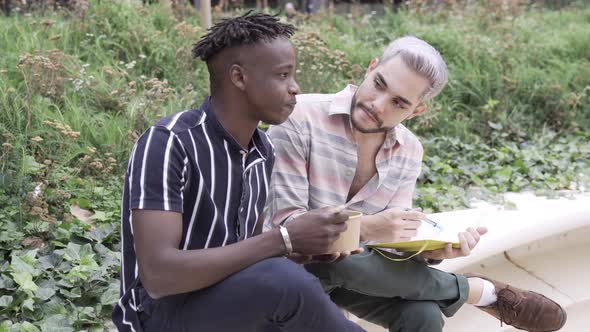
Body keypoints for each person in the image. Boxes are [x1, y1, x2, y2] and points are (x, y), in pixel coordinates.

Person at [265, 36, 567, 332]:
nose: (378, 104)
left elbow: (388, 250)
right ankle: (477, 292)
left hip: (350, 276)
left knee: (421, 314)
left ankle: (467, 290)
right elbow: (288, 230)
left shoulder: (408, 150)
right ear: (371, 69)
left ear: (417, 111)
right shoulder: (300, 117)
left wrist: (432, 250)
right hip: (286, 268)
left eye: (399, 103)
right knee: (335, 254)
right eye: (379, 84)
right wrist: (368, 227)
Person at [112, 12, 367, 332]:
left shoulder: (262, 151)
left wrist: (302, 249)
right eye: (283, 75)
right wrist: (284, 239)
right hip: (158, 315)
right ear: (239, 78)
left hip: (222, 304)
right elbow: (160, 276)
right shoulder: (169, 143)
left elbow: (242, 255)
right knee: (283, 282)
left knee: (289, 281)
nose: (295, 88)